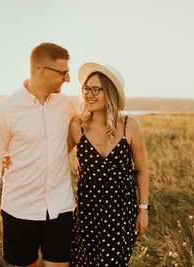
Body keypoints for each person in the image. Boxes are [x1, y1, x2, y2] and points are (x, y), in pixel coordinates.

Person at [0, 42, 78, 267]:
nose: (68, 79)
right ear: (41, 71)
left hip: (60, 209)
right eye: (63, 73)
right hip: (19, 210)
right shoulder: (5, 110)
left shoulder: (66, 105)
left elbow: (79, 139)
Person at [68, 63, 150, 266]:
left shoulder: (130, 126)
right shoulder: (77, 126)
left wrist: (143, 209)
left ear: (110, 92)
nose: (89, 94)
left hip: (121, 212)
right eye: (86, 89)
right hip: (87, 211)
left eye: (96, 89)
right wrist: (14, 158)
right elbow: (54, 159)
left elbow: (142, 170)